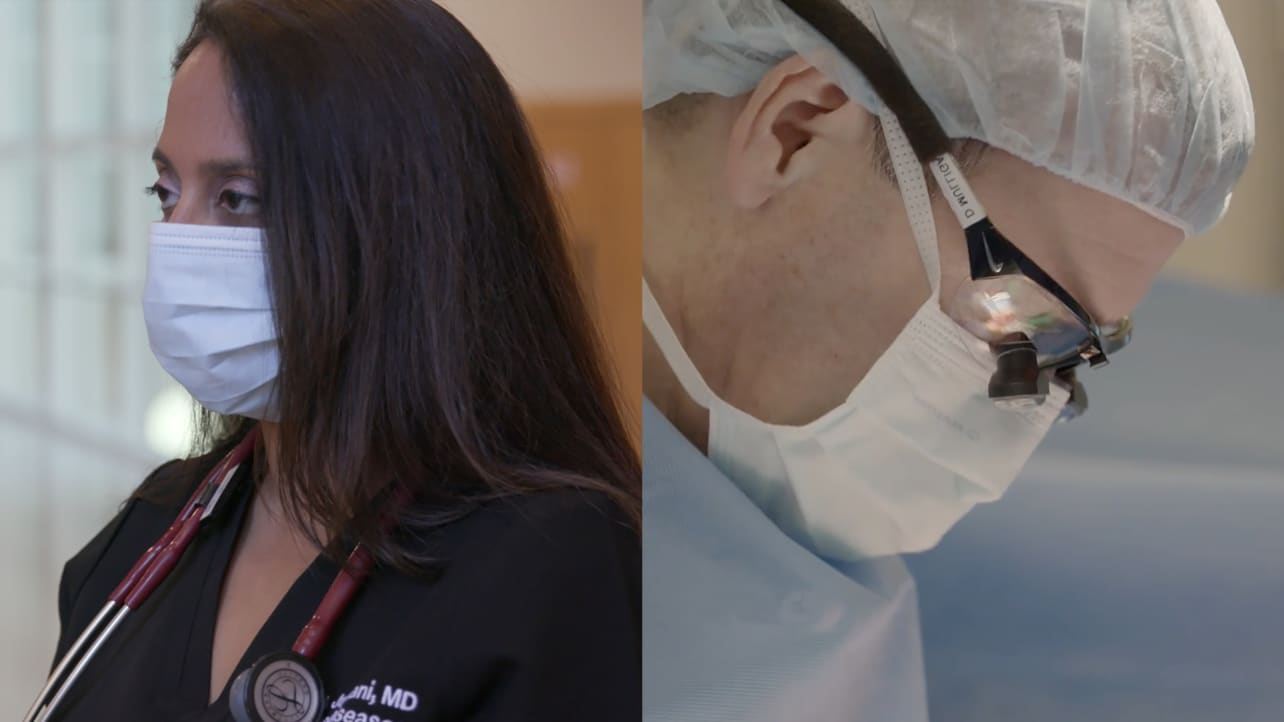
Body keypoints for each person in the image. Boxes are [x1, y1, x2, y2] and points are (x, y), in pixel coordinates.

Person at [641, 0, 1253, 720]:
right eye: (1019, 314)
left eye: (1070, 361)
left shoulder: (818, 623)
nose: (1023, 406)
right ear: (796, 129)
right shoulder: (489, 525)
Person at [33, 1, 640, 721]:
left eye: (237, 198)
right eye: (166, 193)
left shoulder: (549, 563)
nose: (177, 242)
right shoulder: (149, 530)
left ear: (403, 225)